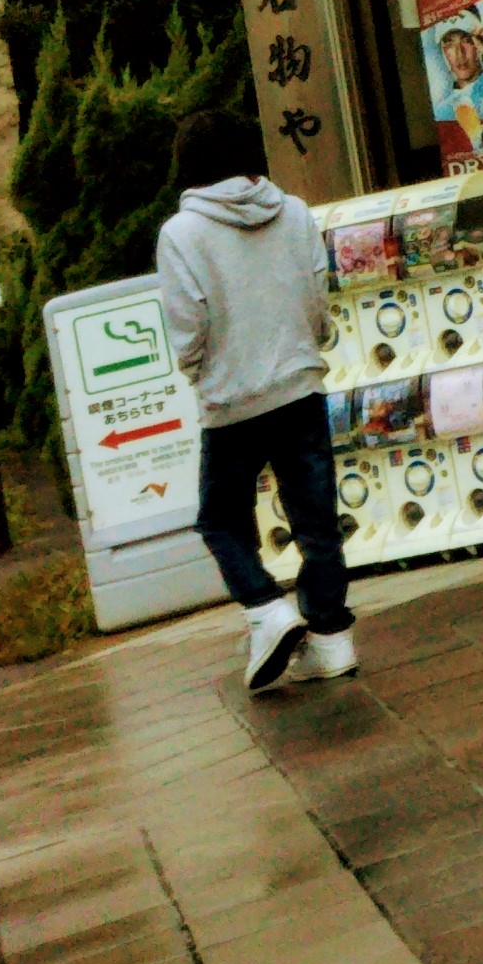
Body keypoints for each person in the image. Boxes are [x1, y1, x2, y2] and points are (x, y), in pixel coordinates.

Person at [154, 108, 354, 692]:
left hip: (232, 401)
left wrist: (200, 373)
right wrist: (307, 345)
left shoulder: (182, 233)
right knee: (316, 523)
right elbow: (315, 292)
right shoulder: (293, 212)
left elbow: (187, 322)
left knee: (220, 521)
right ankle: (332, 639)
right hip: (299, 387)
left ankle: (267, 609)